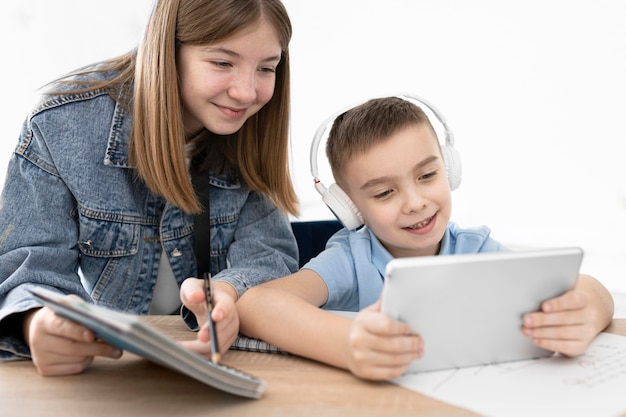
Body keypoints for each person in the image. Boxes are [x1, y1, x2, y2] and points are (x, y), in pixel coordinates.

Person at [185, 96, 615, 381]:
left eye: (428, 175)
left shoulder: (475, 249)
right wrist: (347, 345)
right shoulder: (351, 258)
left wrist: (590, 310)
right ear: (351, 208)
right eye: (385, 192)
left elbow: (587, 288)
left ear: (450, 168)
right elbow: (258, 303)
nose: (415, 202)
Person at [0, 0, 299, 376]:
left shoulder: (253, 127)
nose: (246, 92)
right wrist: (36, 323)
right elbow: (29, 268)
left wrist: (230, 293)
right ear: (167, 51)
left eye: (266, 68)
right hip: (109, 374)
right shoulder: (61, 124)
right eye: (222, 63)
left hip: (228, 366)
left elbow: (269, 257)